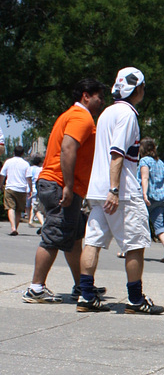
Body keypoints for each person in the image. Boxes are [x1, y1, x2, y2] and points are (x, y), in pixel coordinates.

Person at [78, 67, 164, 315]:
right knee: (135, 244)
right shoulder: (127, 115)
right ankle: (135, 300)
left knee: (93, 241)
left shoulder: (106, 113)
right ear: (137, 89)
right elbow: (117, 153)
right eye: (143, 87)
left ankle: (85, 295)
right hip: (121, 192)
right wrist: (114, 189)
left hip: (97, 189)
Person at [22, 79, 106, 303]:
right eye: (99, 97)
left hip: (61, 184)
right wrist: (68, 186)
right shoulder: (81, 117)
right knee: (53, 236)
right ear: (86, 96)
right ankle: (36, 288)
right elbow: (68, 147)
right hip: (60, 184)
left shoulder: (71, 115)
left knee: (74, 236)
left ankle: (81, 286)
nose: (102, 102)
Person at [137, 137, 164, 263]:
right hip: (160, 198)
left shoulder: (144, 161)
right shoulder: (161, 163)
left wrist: (144, 194)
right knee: (159, 225)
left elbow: (144, 178)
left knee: (138, 223)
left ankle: (130, 251)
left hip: (148, 197)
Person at [1, 145, 32, 236]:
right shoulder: (26, 164)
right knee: (19, 209)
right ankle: (15, 228)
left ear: (13, 152)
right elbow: (29, 178)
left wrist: (1, 185)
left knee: (11, 207)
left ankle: (13, 228)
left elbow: (2, 174)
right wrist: (30, 189)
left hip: (10, 187)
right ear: (23, 153)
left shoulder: (8, 162)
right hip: (22, 189)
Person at [28, 155, 45, 227]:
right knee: (35, 205)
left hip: (29, 188)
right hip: (38, 189)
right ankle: (31, 219)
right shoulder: (40, 169)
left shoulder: (30, 168)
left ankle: (30, 219)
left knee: (31, 205)